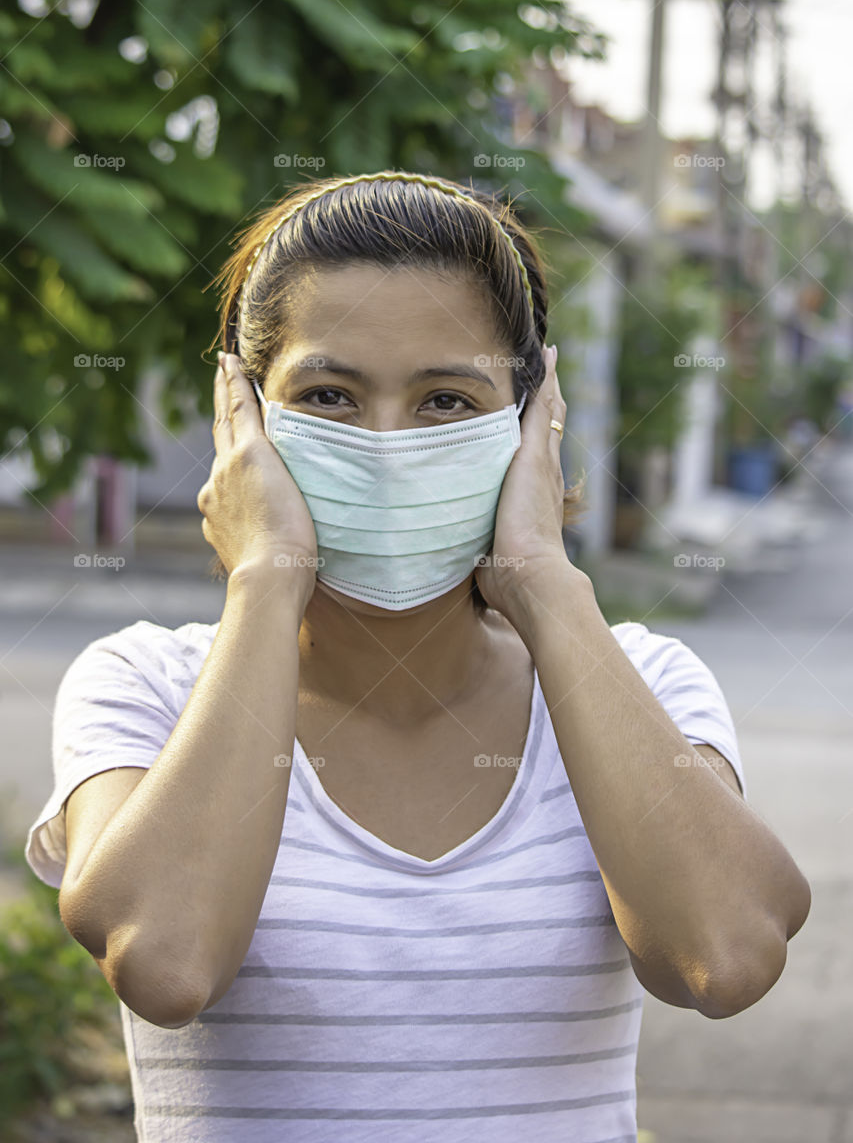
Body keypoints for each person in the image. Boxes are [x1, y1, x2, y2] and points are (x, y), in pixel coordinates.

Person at [24, 171, 810, 1142]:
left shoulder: (640, 681)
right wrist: (265, 577)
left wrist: (543, 581)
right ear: (243, 418)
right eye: (329, 395)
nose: (386, 447)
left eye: (445, 399)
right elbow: (165, 963)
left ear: (531, 420)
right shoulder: (147, 684)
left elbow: (726, 956)